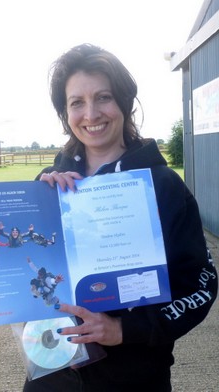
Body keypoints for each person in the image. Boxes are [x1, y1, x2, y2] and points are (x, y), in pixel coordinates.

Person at [27, 43, 217, 391]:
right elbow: (28, 275)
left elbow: (201, 286)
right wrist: (35, 205)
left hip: (133, 377)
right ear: (64, 113)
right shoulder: (50, 186)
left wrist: (124, 330)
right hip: (53, 373)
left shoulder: (163, 186)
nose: (91, 114)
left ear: (125, 103)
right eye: (76, 103)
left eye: (103, 97)